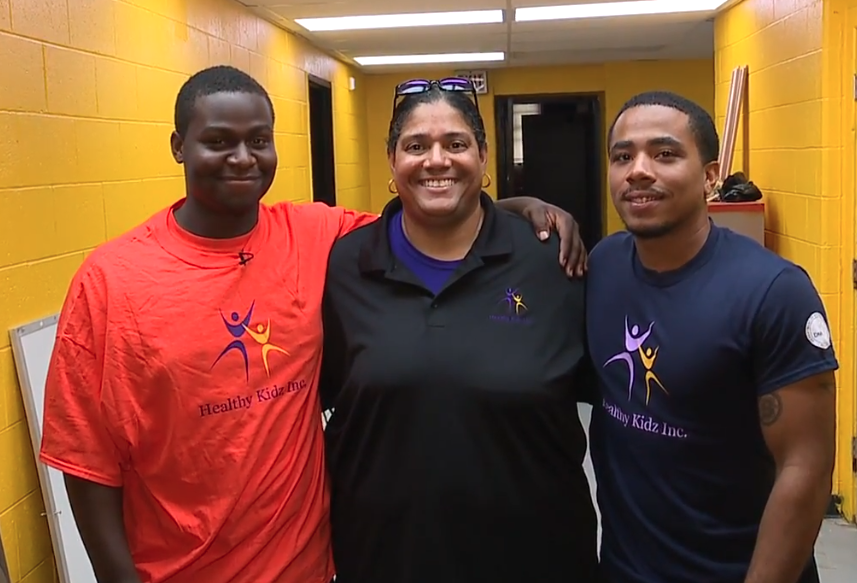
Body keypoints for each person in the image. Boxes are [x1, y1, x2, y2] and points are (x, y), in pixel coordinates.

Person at [37, 66, 587, 583]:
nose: (242, 158)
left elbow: (433, 217)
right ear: (179, 146)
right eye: (219, 141)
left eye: (259, 140)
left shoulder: (314, 236)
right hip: (181, 570)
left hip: (309, 566)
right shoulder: (111, 279)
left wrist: (516, 207)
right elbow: (85, 462)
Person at [319, 77, 598, 583]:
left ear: (484, 156)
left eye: (456, 143)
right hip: (387, 558)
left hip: (539, 559)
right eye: (416, 146)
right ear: (391, 160)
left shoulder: (553, 260)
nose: (436, 160)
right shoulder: (344, 265)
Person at [586, 91, 837, 583]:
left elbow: (804, 471)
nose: (638, 170)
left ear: (710, 175)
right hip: (623, 569)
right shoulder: (604, 265)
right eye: (623, 156)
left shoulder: (772, 292)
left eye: (665, 154)